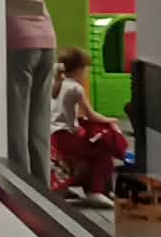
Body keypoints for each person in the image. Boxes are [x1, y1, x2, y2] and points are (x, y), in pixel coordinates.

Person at [4, 0, 57, 188]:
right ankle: (42, 190)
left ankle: (21, 189)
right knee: (39, 125)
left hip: (18, 42)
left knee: (16, 124)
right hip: (47, 38)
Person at [48, 48, 124, 204]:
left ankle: (91, 189)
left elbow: (64, 113)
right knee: (103, 151)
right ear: (79, 70)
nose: (86, 75)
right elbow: (91, 114)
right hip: (67, 136)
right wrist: (110, 120)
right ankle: (94, 191)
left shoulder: (56, 83)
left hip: (54, 136)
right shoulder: (76, 88)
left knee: (88, 152)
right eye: (86, 71)